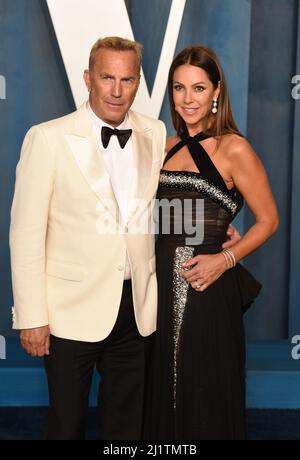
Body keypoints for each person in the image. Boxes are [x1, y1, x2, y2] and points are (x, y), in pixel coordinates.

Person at [9, 36, 167, 440]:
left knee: (127, 427)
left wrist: (215, 225)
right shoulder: (47, 138)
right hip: (67, 312)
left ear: (137, 82)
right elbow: (25, 234)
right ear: (87, 79)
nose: (117, 90)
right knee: (66, 424)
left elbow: (157, 208)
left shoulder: (153, 132)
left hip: (136, 309)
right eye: (107, 78)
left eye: (127, 79)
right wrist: (32, 317)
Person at [144, 45, 279, 440]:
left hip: (207, 288)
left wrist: (224, 259)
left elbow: (269, 221)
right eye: (179, 88)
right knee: (161, 390)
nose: (188, 99)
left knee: (204, 389)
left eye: (199, 88)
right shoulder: (164, 146)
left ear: (216, 91)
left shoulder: (234, 148)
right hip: (158, 291)